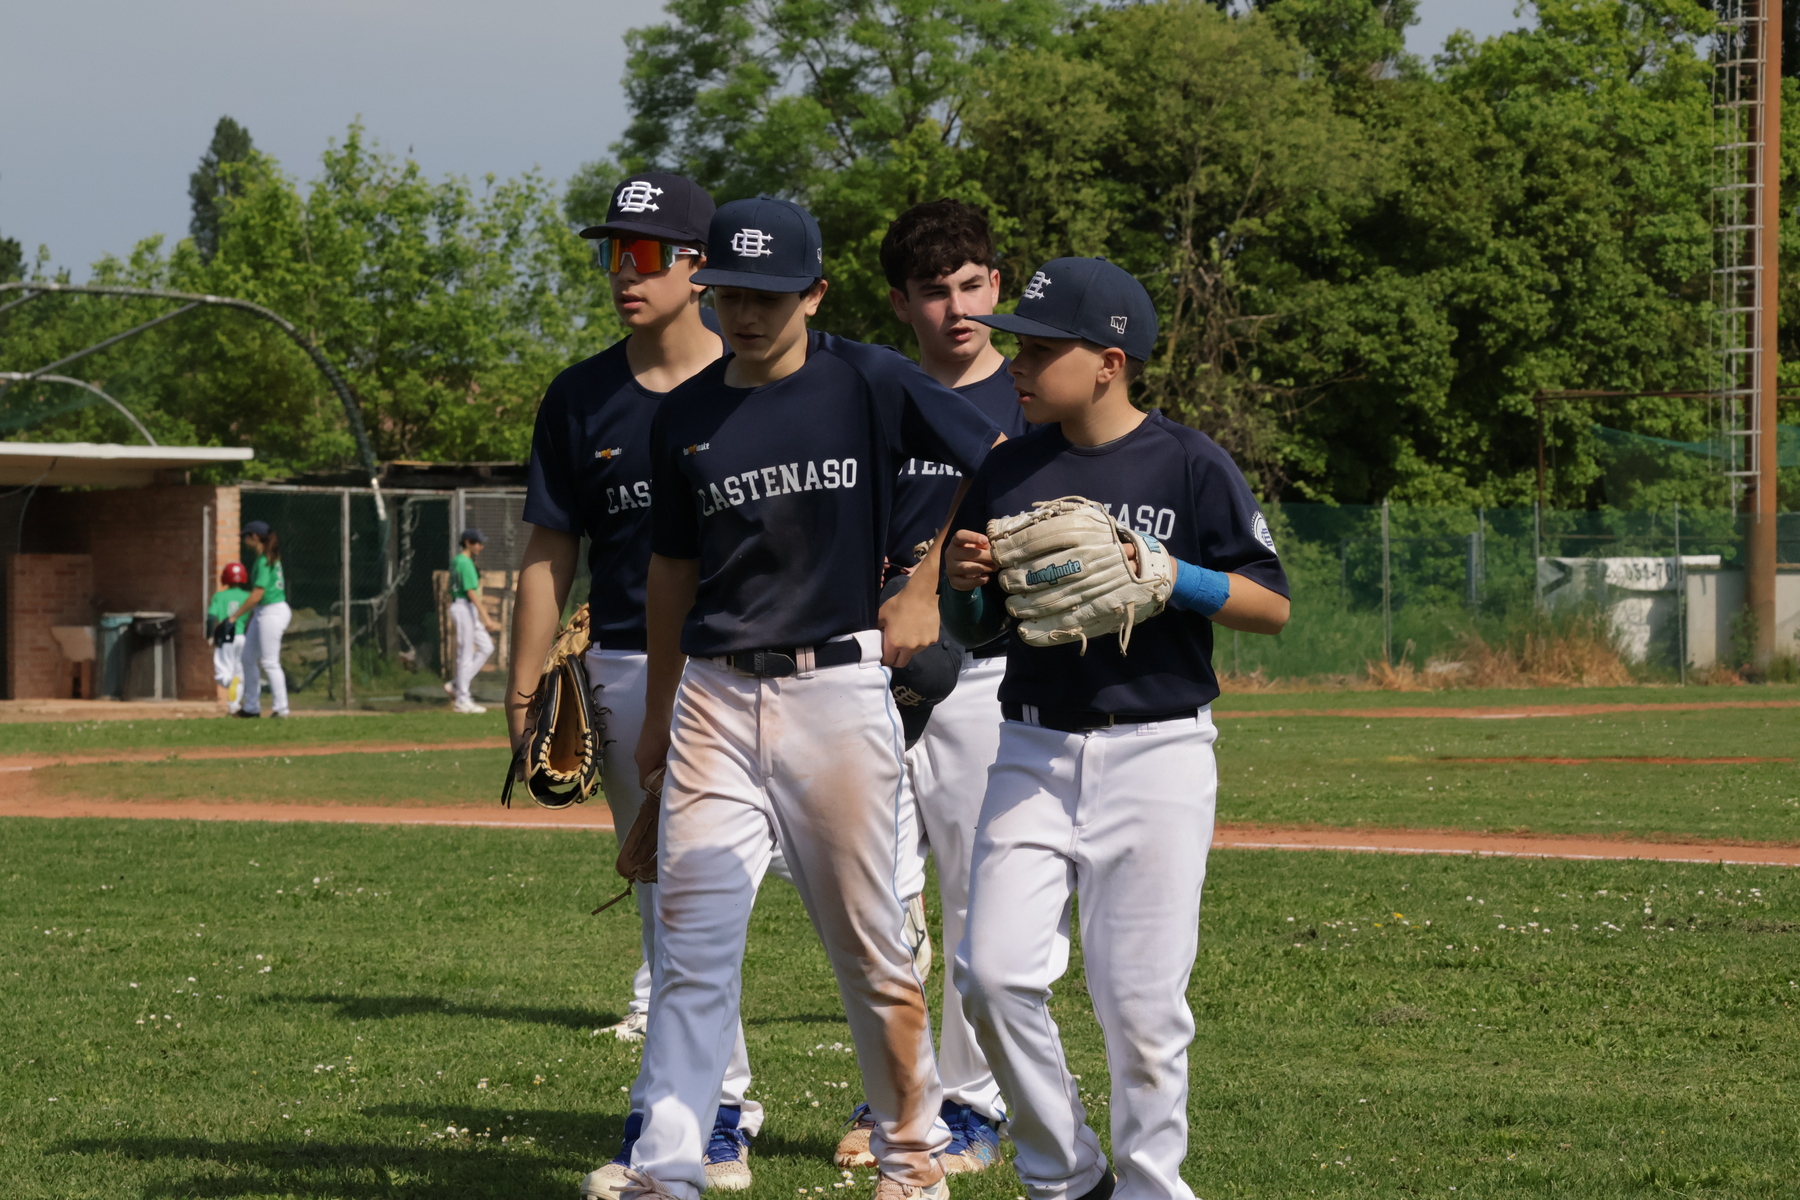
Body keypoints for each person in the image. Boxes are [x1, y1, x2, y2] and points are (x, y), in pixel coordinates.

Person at [623, 194, 1002, 1200]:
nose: (745, 313)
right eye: (729, 292)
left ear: (816, 293)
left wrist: (924, 583)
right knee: (691, 947)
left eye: (770, 294)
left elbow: (997, 459)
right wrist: (660, 716)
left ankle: (912, 1160)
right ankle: (667, 1167)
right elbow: (669, 573)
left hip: (836, 690)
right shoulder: (686, 414)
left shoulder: (868, 378)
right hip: (714, 693)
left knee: (873, 946)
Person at [941, 257, 1290, 1200]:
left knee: (1140, 1008)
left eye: (1041, 347)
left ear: (1109, 361)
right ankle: (1064, 1176)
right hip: (1032, 745)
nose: (1018, 360)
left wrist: (1176, 576)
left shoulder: (1187, 461)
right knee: (991, 974)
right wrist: (965, 592)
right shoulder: (1007, 466)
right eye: (1017, 343)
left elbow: (1272, 605)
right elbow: (978, 629)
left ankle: (1149, 1189)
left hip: (1159, 751)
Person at [508, 173, 771, 1199]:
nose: (626, 270)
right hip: (620, 665)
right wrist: (522, 685)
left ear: (700, 265)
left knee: (859, 907)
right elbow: (547, 548)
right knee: (672, 901)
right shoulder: (581, 395)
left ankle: (907, 1116)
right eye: (614, 250)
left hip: (762, 672)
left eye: (649, 251)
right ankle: (711, 1111)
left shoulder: (765, 379)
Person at [833, 199, 1028, 1177]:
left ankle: (979, 1102)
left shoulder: (1030, 402)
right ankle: (896, 1098)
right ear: (900, 302)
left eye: (972, 283)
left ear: (997, 282)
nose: (957, 308)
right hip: (866, 678)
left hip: (983, 680)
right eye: (932, 291)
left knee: (980, 897)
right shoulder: (877, 392)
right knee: (878, 904)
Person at [232, 521, 291, 719]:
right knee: (247, 658)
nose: (244, 540)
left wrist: (235, 616)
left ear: (255, 537)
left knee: (269, 662)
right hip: (264, 612)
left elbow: (257, 594)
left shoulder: (265, 559)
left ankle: (281, 709)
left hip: (272, 611)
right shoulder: (265, 557)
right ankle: (251, 707)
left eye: (246, 536)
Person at [446, 528, 501, 714]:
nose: (481, 546)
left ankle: (456, 684)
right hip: (464, 607)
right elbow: (470, 591)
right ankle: (462, 699)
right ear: (467, 542)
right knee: (466, 653)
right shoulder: (465, 562)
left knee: (486, 647)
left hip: (463, 607)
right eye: (477, 542)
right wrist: (486, 617)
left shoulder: (457, 561)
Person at [208, 561, 252, 712]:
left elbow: (211, 618)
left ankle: (229, 682)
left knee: (222, 673)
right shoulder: (248, 596)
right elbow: (251, 618)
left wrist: (210, 635)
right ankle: (234, 707)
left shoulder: (219, 597)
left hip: (225, 637)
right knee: (238, 673)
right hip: (242, 637)